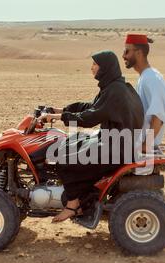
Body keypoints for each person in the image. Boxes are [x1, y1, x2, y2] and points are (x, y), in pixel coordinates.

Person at [37, 50, 144, 223]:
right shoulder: (115, 86)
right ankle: (83, 196)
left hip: (116, 148)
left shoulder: (115, 91)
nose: (92, 68)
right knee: (69, 142)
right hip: (116, 141)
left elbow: (90, 117)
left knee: (62, 158)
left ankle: (73, 205)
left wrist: (58, 118)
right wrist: (61, 110)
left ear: (105, 67)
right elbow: (91, 107)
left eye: (95, 64)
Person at [122, 34, 165, 152]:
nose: (123, 56)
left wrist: (145, 146)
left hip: (140, 145)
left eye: (126, 51)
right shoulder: (145, 77)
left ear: (139, 53)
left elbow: (158, 117)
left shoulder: (152, 79)